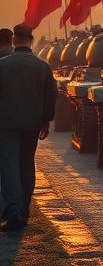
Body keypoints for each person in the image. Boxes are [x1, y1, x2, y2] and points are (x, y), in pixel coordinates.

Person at [0, 23, 56, 231]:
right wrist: (45, 121)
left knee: (9, 166)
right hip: (32, 123)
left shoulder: (3, 65)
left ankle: (13, 211)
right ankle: (24, 209)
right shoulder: (43, 67)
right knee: (26, 165)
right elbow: (50, 97)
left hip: (6, 124)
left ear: (14, 41)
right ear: (31, 41)